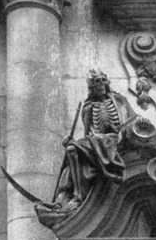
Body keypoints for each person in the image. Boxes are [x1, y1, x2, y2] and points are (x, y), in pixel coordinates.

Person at [52, 70, 133, 211]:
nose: (101, 84)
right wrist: (71, 141)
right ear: (92, 86)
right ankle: (77, 196)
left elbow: (133, 118)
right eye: (97, 81)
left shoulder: (120, 100)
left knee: (94, 140)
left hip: (117, 139)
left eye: (103, 80)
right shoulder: (88, 108)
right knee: (71, 149)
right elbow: (87, 135)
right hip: (97, 142)